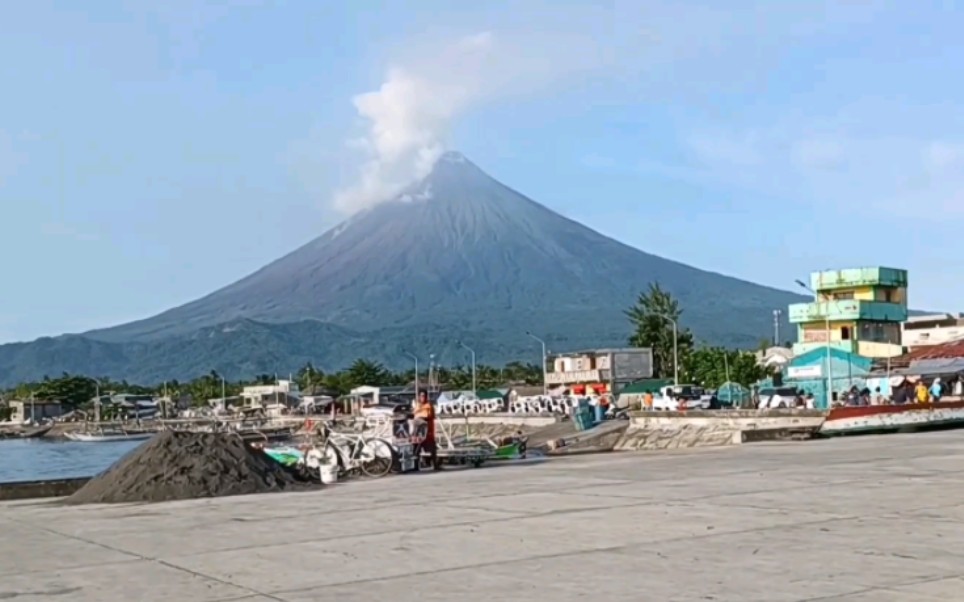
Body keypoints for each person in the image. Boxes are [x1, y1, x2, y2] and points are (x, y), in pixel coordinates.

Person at [412, 390, 440, 471]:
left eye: (424, 396)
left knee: (432, 448)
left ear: (426, 397)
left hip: (428, 430)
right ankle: (415, 466)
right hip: (418, 431)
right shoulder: (417, 406)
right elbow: (415, 415)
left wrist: (419, 416)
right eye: (421, 396)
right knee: (416, 448)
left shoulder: (429, 406)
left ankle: (435, 465)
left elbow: (427, 415)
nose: (422, 397)